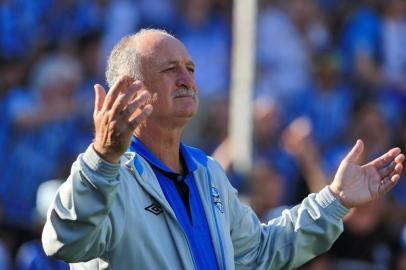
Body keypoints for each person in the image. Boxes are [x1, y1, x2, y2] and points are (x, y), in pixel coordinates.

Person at [42, 28, 404, 270]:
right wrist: (103, 158)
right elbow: (65, 241)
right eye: (170, 69)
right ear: (130, 90)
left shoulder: (208, 172)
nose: (187, 78)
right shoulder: (106, 175)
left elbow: (259, 252)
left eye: (190, 68)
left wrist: (336, 200)